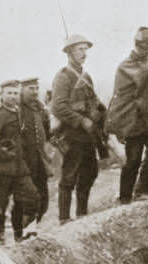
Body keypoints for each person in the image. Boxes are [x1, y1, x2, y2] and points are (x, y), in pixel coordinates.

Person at [52, 34, 106, 223]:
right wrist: (81, 121)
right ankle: (64, 218)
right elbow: (58, 107)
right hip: (72, 134)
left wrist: (103, 114)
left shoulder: (86, 75)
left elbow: (93, 100)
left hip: (88, 135)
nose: (84, 53)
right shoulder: (63, 77)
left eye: (85, 49)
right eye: (79, 49)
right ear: (69, 52)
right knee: (69, 176)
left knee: (90, 172)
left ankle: (82, 213)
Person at [0, 80, 39, 244]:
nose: (13, 96)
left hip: (18, 168)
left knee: (32, 197)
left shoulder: (18, 113)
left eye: (15, 93)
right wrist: (3, 153)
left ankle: (21, 232)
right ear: (1, 95)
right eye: (9, 93)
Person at [109, 27, 148, 203]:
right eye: (145, 45)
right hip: (133, 120)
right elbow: (121, 97)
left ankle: (145, 190)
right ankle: (124, 197)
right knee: (133, 160)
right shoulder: (125, 66)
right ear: (137, 45)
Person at [18, 77, 51, 225]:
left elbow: (47, 132)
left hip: (40, 160)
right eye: (30, 88)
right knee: (26, 200)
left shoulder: (40, 108)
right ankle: (22, 233)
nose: (35, 92)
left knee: (43, 200)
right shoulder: (17, 110)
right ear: (22, 90)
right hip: (23, 161)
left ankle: (33, 229)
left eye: (36, 88)